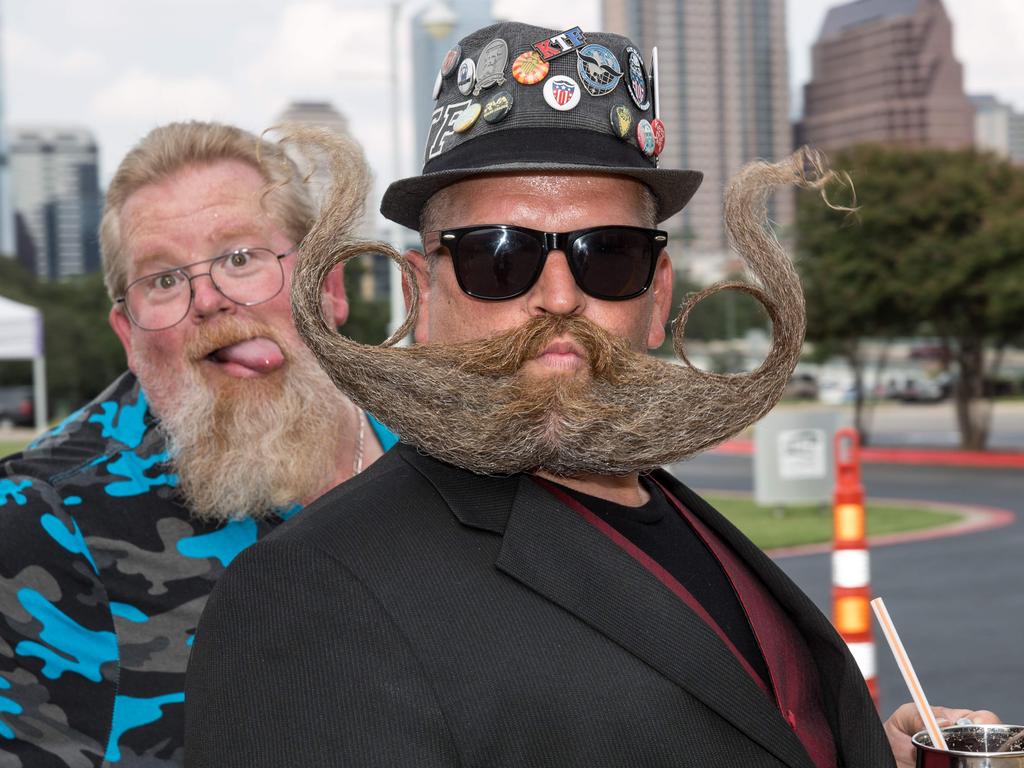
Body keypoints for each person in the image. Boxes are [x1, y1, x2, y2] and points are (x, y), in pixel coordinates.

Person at [185, 23, 995, 768]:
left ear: (656, 293)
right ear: (421, 295)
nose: (561, 296)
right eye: (499, 258)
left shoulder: (677, 513)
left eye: (607, 255)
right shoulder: (309, 593)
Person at [0, 121, 395, 766]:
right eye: (162, 281)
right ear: (128, 336)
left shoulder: (443, 455)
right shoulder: (39, 519)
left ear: (328, 289)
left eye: (241, 258)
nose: (207, 300)